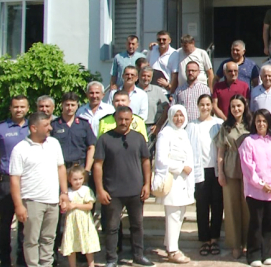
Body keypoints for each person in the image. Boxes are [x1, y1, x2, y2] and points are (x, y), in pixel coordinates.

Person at [93, 106, 153, 267]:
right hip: (112, 192)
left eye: (127, 119)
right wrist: (100, 189)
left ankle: (138, 255)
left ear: (131, 120)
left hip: (135, 191)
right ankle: (111, 258)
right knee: (112, 227)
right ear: (115, 119)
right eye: (120, 119)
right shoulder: (105, 139)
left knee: (137, 225)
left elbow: (146, 161)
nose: (123, 122)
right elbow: (98, 165)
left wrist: (147, 184)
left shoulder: (139, 138)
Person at [9, 112, 69, 267]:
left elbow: (61, 168)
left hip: (52, 200)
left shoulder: (54, 143)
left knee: (49, 238)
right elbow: (15, 179)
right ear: (34, 128)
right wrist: (18, 205)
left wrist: (64, 193)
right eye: (46, 125)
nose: (50, 128)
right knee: (31, 240)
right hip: (32, 201)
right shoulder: (20, 149)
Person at [50, 93, 96, 262]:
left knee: (82, 212)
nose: (69, 108)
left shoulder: (83, 124)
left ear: (77, 106)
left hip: (79, 171)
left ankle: (83, 254)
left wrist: (87, 170)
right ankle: (55, 255)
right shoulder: (54, 125)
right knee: (58, 213)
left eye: (73, 105)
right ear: (62, 105)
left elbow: (91, 147)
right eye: (67, 104)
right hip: (60, 171)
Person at [0, 95, 30, 267]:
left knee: (25, 223)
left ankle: (22, 260)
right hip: (7, 181)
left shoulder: (32, 127)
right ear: (10, 108)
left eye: (22, 107)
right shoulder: (0, 129)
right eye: (16, 107)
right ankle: (4, 259)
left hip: (27, 181)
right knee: (5, 222)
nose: (19, 110)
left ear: (27, 108)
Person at [239, 109, 271, 267]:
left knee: (268, 223)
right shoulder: (248, 142)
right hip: (255, 192)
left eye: (264, 121)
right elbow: (248, 167)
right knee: (256, 223)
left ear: (268, 123)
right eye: (258, 121)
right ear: (254, 123)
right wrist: (261, 184)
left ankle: (266, 253)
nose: (261, 124)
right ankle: (253, 255)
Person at [153, 105, 195, 264]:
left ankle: (170, 244)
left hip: (183, 180)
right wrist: (181, 167)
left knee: (179, 214)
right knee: (173, 215)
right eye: (176, 115)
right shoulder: (165, 133)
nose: (179, 119)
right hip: (172, 180)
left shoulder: (183, 132)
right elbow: (161, 159)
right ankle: (172, 250)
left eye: (181, 115)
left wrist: (188, 168)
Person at [185, 95, 224, 257]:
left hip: (215, 170)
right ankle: (204, 240)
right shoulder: (191, 126)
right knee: (201, 207)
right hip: (199, 171)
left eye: (208, 104)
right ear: (198, 106)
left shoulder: (218, 124)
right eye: (202, 104)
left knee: (217, 205)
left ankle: (214, 238)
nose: (205, 107)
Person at [217, 95, 252, 259]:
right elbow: (221, 151)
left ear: (244, 106)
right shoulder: (226, 126)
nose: (236, 109)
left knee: (247, 207)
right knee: (231, 208)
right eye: (233, 106)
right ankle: (235, 244)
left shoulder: (251, 124)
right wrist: (220, 172)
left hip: (248, 170)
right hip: (230, 168)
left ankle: (248, 242)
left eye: (239, 106)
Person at [59, 166, 99, 267]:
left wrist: (76, 205)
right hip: (71, 222)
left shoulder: (86, 190)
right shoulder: (67, 192)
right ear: (70, 180)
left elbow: (89, 206)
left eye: (80, 179)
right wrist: (64, 206)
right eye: (75, 179)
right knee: (71, 244)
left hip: (84, 221)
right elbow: (64, 207)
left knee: (87, 244)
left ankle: (91, 264)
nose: (78, 181)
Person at [138, 66, 169, 135]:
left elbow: (167, 107)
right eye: (143, 75)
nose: (146, 78)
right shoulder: (134, 89)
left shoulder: (157, 90)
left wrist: (159, 124)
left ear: (151, 77)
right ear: (139, 76)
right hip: (135, 125)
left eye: (148, 76)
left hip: (151, 127)